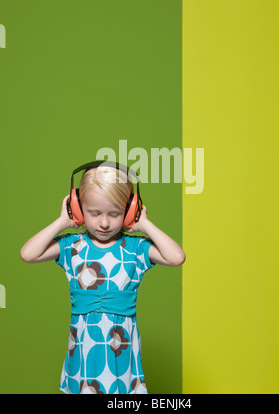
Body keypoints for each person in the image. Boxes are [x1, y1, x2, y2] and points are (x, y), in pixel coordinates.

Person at [20, 164, 185, 394]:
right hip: (84, 351)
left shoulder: (136, 248)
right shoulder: (72, 246)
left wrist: (144, 224)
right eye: (94, 213)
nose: (104, 223)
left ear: (129, 211)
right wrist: (63, 221)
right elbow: (28, 254)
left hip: (121, 349)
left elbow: (176, 257)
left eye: (115, 214)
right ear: (78, 209)